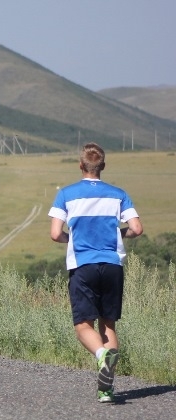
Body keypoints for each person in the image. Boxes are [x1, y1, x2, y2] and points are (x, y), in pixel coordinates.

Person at [49, 142, 143, 403]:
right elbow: (137, 228)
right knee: (108, 324)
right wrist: (118, 234)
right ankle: (106, 390)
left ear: (81, 165)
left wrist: (73, 239)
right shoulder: (118, 194)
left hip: (83, 266)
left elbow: (55, 234)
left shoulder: (66, 194)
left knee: (82, 325)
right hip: (112, 266)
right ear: (103, 166)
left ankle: (101, 356)